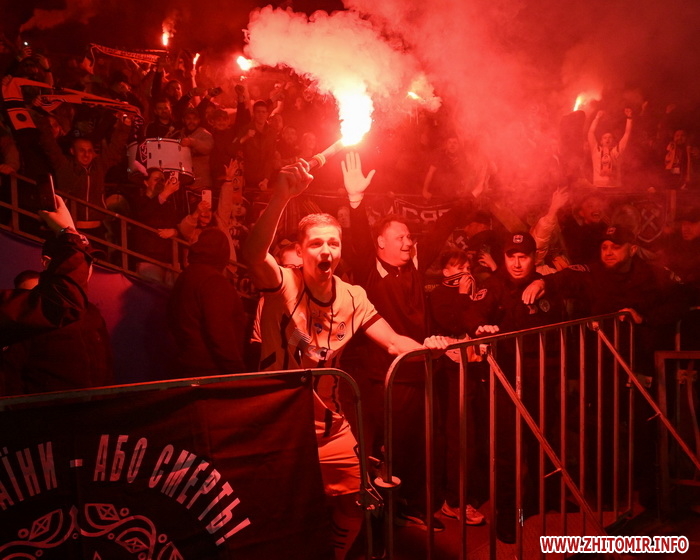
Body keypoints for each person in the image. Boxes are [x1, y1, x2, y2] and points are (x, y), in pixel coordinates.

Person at [241, 160, 447, 559]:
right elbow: (252, 254)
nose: (326, 250)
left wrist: (430, 347)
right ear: (301, 251)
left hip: (330, 427)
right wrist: (282, 195)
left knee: (357, 504)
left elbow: (393, 342)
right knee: (279, 516)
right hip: (281, 424)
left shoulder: (354, 296)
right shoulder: (284, 283)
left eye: (333, 243)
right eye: (316, 243)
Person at [341, 152, 473, 530]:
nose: (407, 243)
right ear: (380, 243)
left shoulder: (413, 263)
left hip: (419, 374)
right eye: (399, 237)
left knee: (421, 445)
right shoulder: (368, 270)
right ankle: (381, 519)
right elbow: (357, 240)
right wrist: (355, 200)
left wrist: (469, 199)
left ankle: (415, 506)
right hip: (385, 378)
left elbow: (442, 228)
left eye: (409, 237)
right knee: (387, 449)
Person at [468, 232, 567, 543]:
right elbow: (473, 313)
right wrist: (481, 327)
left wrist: (547, 282)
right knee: (508, 451)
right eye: (511, 256)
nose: (517, 263)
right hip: (507, 380)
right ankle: (509, 515)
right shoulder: (494, 285)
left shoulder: (545, 283)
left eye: (523, 256)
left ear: (534, 258)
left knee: (546, 441)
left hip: (543, 377)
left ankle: (545, 499)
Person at [1, 264, 113, 396]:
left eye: (38, 294)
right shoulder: (23, 325)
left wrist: (109, 393)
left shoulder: (90, 312)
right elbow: (11, 369)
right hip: (50, 403)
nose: (36, 301)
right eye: (27, 296)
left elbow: (105, 356)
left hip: (97, 399)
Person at [0, 196, 93, 349]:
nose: (87, 268)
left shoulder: (92, 312)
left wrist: (71, 237)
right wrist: (66, 233)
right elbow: (60, 305)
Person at [168, 228, 246, 377]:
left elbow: (171, 318)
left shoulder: (185, 276)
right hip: (211, 371)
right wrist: (236, 371)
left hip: (187, 365)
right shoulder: (213, 282)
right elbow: (220, 332)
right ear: (222, 252)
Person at [588, 108, 633, 188]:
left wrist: (629, 118)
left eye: (610, 137)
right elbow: (590, 133)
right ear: (601, 141)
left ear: (613, 141)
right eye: (605, 138)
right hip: (598, 187)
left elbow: (627, 134)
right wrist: (597, 118)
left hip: (615, 187)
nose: (607, 139)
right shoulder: (596, 150)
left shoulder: (617, 150)